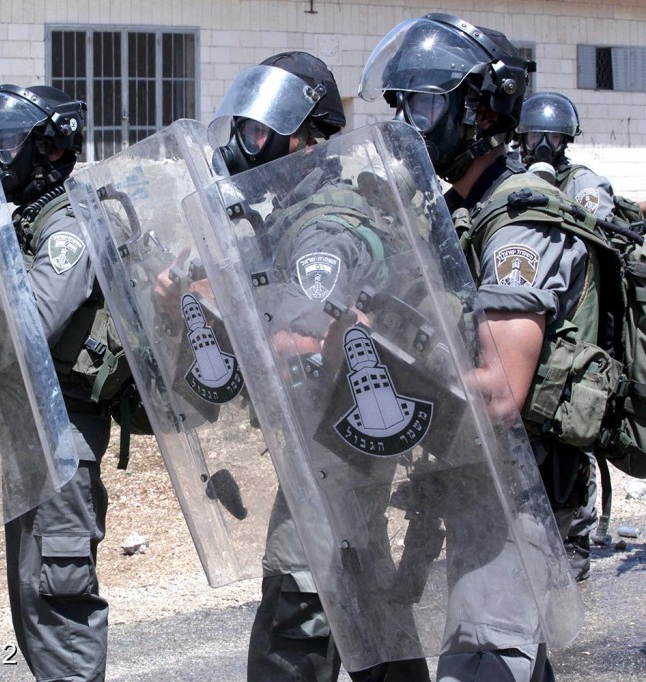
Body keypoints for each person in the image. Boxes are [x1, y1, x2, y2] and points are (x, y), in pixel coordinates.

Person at [359, 12, 597, 681]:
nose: (411, 121)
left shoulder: (517, 221)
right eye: (403, 103)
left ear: (480, 110)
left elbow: (497, 393)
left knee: (483, 664)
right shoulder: (459, 211)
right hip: (476, 488)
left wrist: (376, 351)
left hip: (517, 503)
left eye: (427, 102)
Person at [206, 52, 431, 682]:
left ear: (305, 140)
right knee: (363, 599)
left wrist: (239, 328)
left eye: (258, 133)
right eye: (242, 130)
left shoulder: (323, 226)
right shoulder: (287, 218)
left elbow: (307, 338)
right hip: (337, 443)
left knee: (297, 608)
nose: (243, 147)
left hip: (338, 450)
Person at [0, 83, 111, 682]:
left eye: (10, 143)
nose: (0, 156)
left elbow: (30, 324)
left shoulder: (66, 229)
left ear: (51, 149)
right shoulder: (27, 224)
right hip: (32, 430)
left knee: (60, 601)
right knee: (33, 599)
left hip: (64, 436)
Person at [518, 92, 609, 582]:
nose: (541, 145)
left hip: (579, 331)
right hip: (537, 327)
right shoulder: (516, 179)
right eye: (534, 136)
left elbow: (592, 223)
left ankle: (575, 535)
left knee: (570, 443)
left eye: (551, 137)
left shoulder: (584, 183)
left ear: (566, 140)